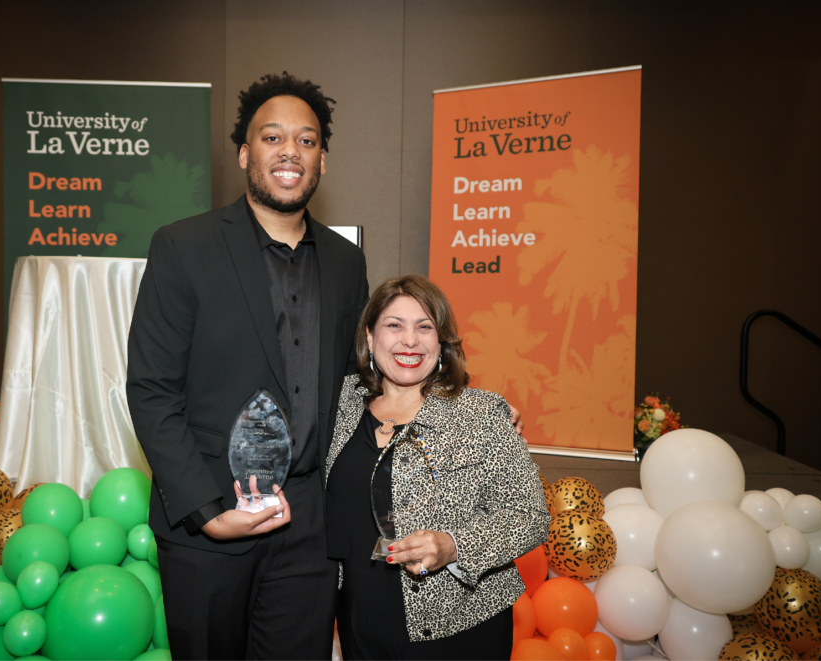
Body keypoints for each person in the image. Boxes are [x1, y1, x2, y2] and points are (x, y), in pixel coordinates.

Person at [126, 73, 368, 659]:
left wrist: (462, 409)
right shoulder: (183, 247)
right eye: (272, 137)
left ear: (323, 161)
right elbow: (152, 389)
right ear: (244, 153)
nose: (291, 152)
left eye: (307, 141)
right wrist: (207, 512)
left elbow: (364, 377)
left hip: (311, 523)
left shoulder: (347, 260)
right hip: (211, 516)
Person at [325, 274, 550, 659]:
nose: (409, 341)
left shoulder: (481, 414)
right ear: (369, 336)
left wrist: (454, 545)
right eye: (394, 325)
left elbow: (531, 516)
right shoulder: (339, 403)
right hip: (357, 621)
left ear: (441, 342)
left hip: (458, 627)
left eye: (424, 327)